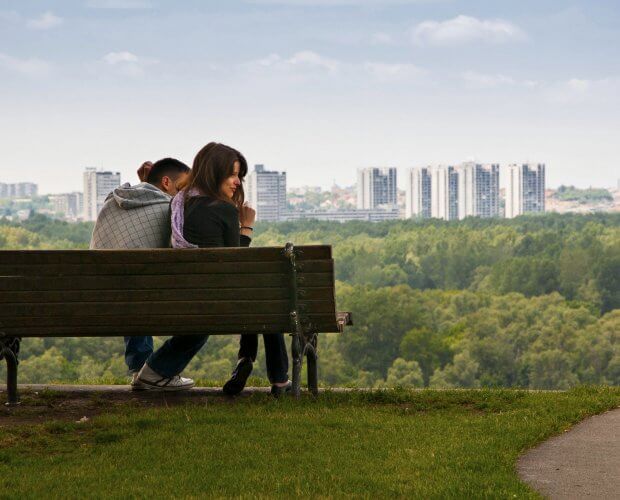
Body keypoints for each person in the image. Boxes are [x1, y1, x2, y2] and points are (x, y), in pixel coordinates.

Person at [137, 142, 291, 396]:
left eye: (239, 176)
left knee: (257, 297)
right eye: (232, 174)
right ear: (213, 173)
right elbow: (235, 267)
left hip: (185, 295)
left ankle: (246, 360)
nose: (237, 182)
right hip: (214, 300)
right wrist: (246, 228)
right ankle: (278, 379)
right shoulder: (222, 209)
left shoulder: (179, 204)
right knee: (268, 300)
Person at [89, 158, 191, 390]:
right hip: (138, 302)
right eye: (182, 187)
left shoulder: (112, 202)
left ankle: (140, 367)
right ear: (166, 182)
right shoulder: (169, 210)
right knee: (141, 288)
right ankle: (155, 370)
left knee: (132, 285)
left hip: (95, 301)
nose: (183, 195)